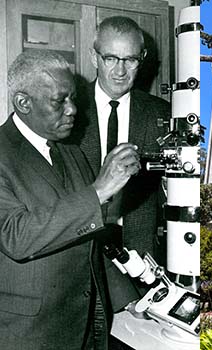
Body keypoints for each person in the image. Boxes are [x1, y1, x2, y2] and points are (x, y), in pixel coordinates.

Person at [0, 50, 141, 349]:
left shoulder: (70, 151)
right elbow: (15, 236)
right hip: (27, 334)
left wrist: (130, 301)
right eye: (59, 101)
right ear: (23, 103)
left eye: (73, 98)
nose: (73, 110)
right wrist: (99, 191)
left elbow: (87, 235)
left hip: (84, 328)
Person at [69, 16, 170, 313]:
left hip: (142, 264)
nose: (120, 70)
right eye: (111, 58)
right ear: (93, 57)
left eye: (130, 60)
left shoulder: (160, 114)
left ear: (142, 60)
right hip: (79, 260)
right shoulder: (67, 111)